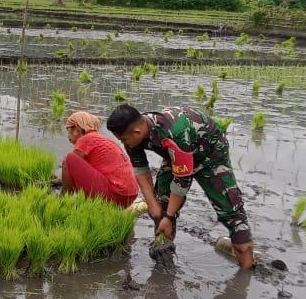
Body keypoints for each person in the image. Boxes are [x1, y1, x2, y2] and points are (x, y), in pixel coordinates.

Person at [106, 104, 255, 269]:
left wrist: (169, 217)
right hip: (175, 157)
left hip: (210, 156)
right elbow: (141, 170)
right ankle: (164, 255)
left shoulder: (174, 132)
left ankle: (246, 271)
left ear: (137, 132)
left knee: (231, 212)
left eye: (124, 140)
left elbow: (181, 182)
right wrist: (153, 205)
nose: (123, 143)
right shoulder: (133, 134)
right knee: (161, 204)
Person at [61, 111, 138, 208]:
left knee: (69, 159)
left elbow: (69, 167)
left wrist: (64, 192)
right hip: (129, 197)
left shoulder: (86, 139)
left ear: (76, 129)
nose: (68, 135)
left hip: (115, 195)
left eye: (68, 129)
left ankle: (63, 202)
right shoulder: (103, 140)